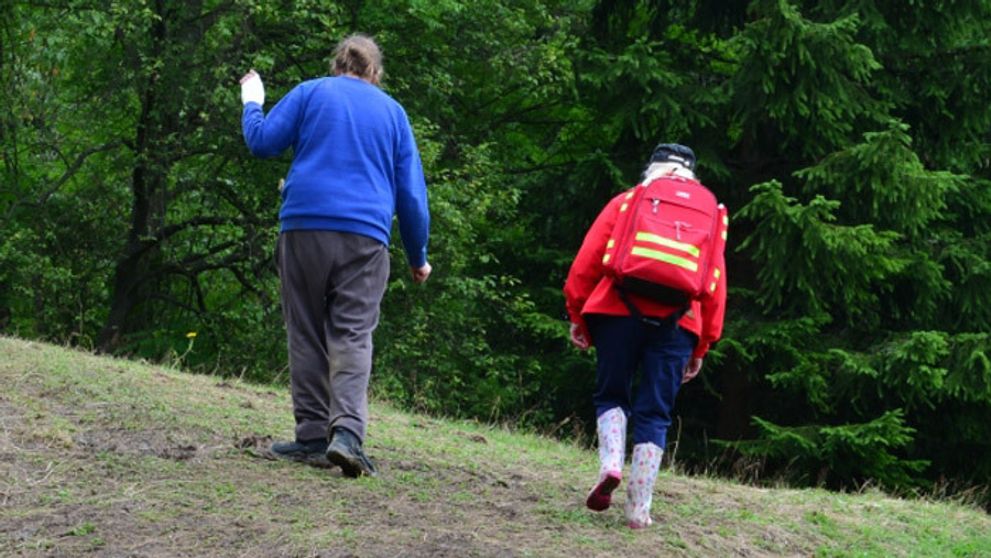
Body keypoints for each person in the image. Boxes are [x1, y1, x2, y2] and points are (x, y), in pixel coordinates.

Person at [239, 33, 431, 477]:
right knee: (352, 335)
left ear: (336, 66)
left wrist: (252, 100)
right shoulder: (393, 114)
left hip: (303, 227)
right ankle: (345, 434)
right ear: (375, 74)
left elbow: (262, 142)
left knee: (305, 329)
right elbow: (412, 196)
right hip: (365, 238)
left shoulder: (310, 93)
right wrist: (417, 255)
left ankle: (310, 436)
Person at [563, 143, 727, 528]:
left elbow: (587, 260)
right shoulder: (708, 212)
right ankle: (639, 508)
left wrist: (577, 313)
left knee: (611, 394)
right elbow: (716, 283)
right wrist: (703, 343)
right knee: (656, 412)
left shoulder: (629, 200)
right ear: (692, 174)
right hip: (680, 322)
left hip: (616, 311)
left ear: (651, 169)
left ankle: (610, 465)